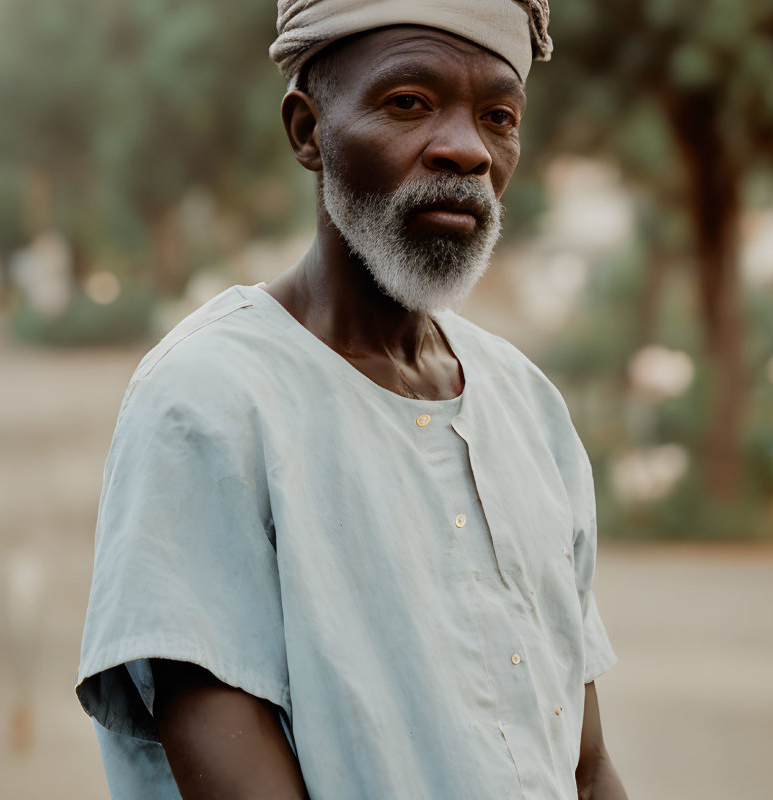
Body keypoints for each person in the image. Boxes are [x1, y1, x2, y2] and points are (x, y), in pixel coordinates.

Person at [77, 1, 629, 798]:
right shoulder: (209, 402)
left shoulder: (529, 408)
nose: (466, 149)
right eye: (409, 103)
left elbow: (585, 765)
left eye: (498, 116)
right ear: (308, 131)